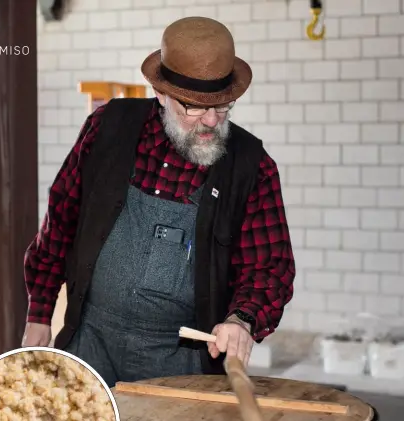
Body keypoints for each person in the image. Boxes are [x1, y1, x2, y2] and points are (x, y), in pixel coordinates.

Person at [22, 16, 295, 387]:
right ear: (162, 95)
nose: (211, 121)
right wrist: (40, 313)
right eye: (194, 108)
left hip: (182, 357)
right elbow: (61, 218)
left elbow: (269, 267)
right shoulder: (108, 128)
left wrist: (241, 319)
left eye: (223, 106)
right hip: (91, 339)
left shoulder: (251, 166)